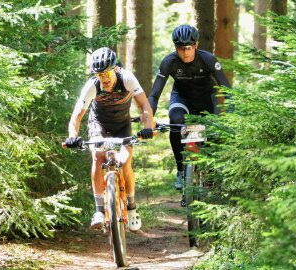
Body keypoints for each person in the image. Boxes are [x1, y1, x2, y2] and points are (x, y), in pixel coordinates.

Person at [65, 47, 154, 231]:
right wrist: (73, 136)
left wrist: (147, 127)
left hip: (122, 125)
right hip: (99, 124)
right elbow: (77, 116)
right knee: (98, 157)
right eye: (99, 74)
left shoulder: (127, 78)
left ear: (115, 69)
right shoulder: (92, 85)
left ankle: (131, 206)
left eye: (106, 73)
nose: (103, 78)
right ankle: (99, 210)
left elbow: (144, 104)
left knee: (126, 161)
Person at [148, 24, 231, 191]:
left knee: (213, 135)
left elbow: (227, 90)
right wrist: (148, 118)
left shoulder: (208, 59)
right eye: (180, 48)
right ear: (175, 47)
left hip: (207, 99)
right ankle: (181, 171)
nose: (185, 52)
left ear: (196, 45)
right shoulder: (169, 62)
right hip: (182, 98)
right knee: (176, 122)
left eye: (188, 47)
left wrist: (233, 114)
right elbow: (154, 95)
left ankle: (211, 174)